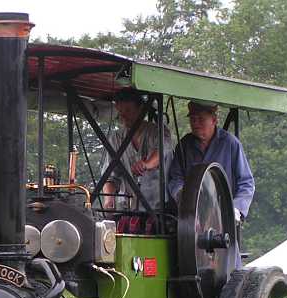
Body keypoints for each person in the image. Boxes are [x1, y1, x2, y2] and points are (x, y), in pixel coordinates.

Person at [167, 101, 255, 264]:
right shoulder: (184, 146)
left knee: (228, 268)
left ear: (214, 120)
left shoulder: (231, 144)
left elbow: (246, 183)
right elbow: (175, 179)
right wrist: (182, 196)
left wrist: (235, 211)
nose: (196, 124)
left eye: (201, 119)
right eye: (193, 120)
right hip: (193, 224)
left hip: (223, 221)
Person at [99, 88, 173, 233]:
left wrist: (146, 164)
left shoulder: (159, 132)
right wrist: (108, 199)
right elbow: (111, 175)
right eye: (120, 112)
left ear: (140, 110)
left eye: (128, 111)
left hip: (159, 212)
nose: (123, 116)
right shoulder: (116, 138)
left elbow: (161, 152)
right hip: (128, 212)